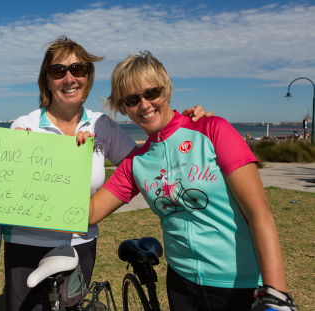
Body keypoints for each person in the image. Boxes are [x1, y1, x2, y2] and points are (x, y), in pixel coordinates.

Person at [0, 36, 212, 311]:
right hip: (26, 245)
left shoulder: (102, 124)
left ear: (88, 76)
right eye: (58, 71)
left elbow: (144, 160)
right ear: (46, 79)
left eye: (78, 70)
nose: (69, 78)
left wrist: (183, 123)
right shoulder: (24, 125)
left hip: (81, 244)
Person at [87, 51, 297, 311]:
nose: (144, 105)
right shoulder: (136, 162)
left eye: (152, 93)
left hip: (239, 284)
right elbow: (91, 211)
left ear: (166, 91)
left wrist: (276, 293)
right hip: (182, 286)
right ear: (123, 108)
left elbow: (259, 213)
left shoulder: (212, 129)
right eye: (132, 99)